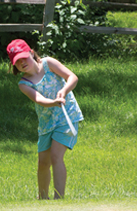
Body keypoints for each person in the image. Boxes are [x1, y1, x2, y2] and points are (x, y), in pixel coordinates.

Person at [6, 39, 83, 200]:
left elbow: (72, 77)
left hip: (66, 116)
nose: (22, 63)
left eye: (23, 58)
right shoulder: (23, 84)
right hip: (47, 124)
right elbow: (39, 99)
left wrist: (64, 91)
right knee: (43, 163)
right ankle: (43, 199)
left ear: (31, 53)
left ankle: (59, 199)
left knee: (56, 156)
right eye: (17, 61)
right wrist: (53, 102)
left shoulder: (49, 63)